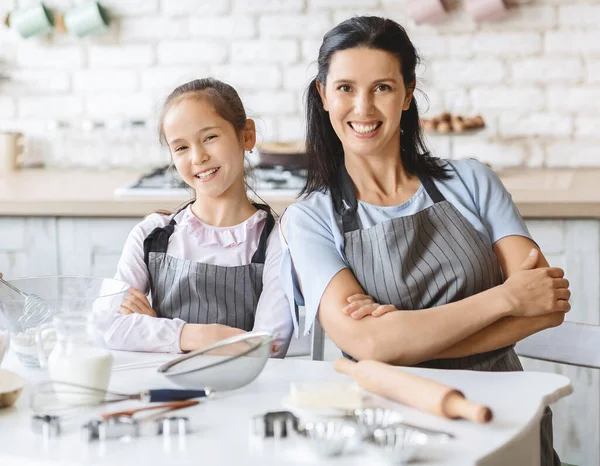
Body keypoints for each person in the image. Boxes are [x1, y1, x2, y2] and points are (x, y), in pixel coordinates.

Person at [279, 16, 568, 465]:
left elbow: (546, 305)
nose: (363, 107)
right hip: (390, 429)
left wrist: (401, 339)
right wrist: (504, 299)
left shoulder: (472, 181)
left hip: (508, 417)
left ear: (408, 93)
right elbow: (369, 345)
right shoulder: (309, 220)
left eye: (382, 88)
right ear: (322, 95)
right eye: (345, 88)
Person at [104, 78, 294, 357]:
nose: (198, 157)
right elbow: (105, 325)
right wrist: (198, 335)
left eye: (209, 138)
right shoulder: (153, 234)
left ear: (246, 136)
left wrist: (154, 329)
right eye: (181, 147)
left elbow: (268, 348)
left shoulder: (278, 241)